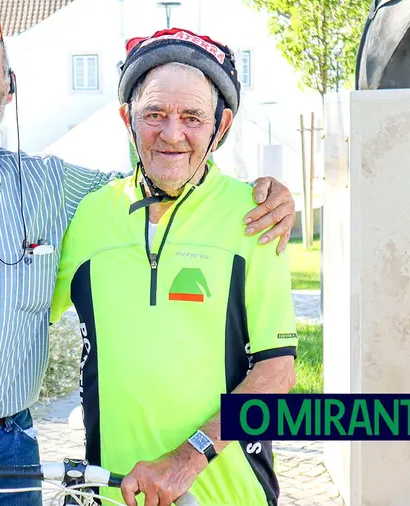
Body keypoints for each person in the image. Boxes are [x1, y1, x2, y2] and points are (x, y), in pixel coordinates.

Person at [0, 13, 296, 506]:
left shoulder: (55, 188)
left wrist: (268, 194)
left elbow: (165, 172)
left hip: (8, 455)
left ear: (9, 88)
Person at [50, 28, 299, 506]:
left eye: (192, 117)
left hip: (230, 495)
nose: (172, 133)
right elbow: (23, 317)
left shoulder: (256, 216)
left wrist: (186, 460)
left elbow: (278, 372)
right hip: (114, 491)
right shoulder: (89, 217)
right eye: (154, 114)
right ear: (127, 119)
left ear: (220, 127)